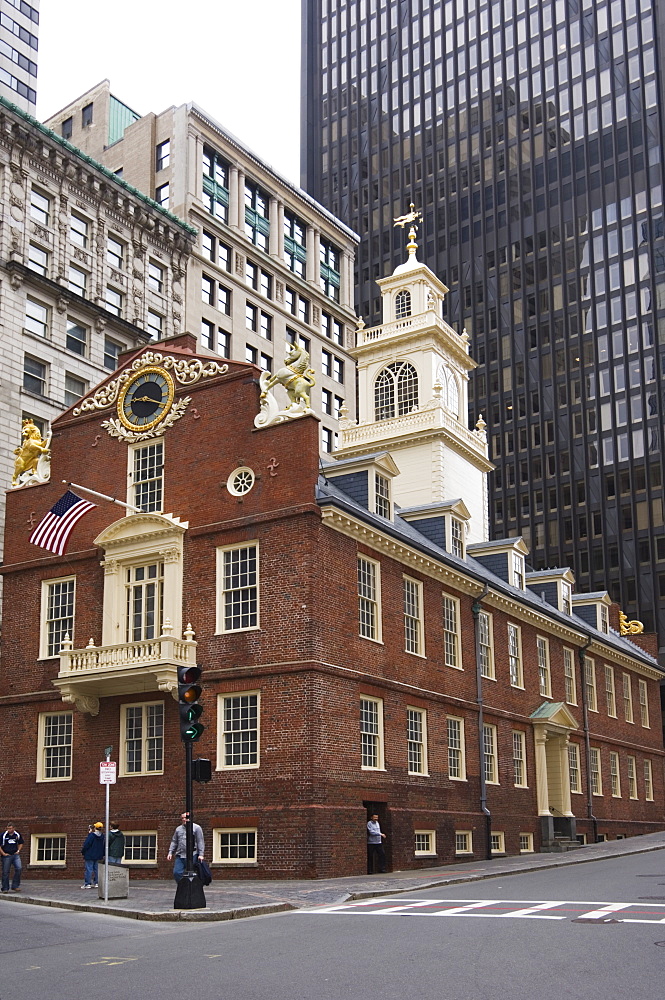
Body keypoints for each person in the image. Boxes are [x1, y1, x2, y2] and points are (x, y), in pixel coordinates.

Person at [167, 812, 204, 882]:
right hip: (180, 855)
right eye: (182, 818)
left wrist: (201, 854)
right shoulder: (178, 829)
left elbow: (200, 841)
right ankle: (182, 886)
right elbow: (174, 841)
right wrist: (170, 852)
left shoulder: (196, 828)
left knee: (191, 874)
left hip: (192, 855)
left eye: (185, 818)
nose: (184, 820)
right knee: (177, 872)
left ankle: (191, 888)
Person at [1, 823, 24, 892]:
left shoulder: (17, 835)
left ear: (14, 828)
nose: (9, 830)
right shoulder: (3, 835)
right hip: (6, 855)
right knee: (5, 872)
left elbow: (21, 843)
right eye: (8, 828)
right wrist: (3, 854)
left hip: (15, 855)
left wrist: (18, 850)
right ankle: (5, 888)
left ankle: (15, 886)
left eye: (10, 828)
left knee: (19, 868)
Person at [81, 822, 105, 888]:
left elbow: (87, 844)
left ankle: (87, 883)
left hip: (90, 855)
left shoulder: (91, 835)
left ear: (95, 828)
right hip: (98, 855)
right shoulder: (102, 836)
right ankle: (96, 882)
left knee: (89, 869)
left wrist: (83, 851)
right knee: (96, 869)